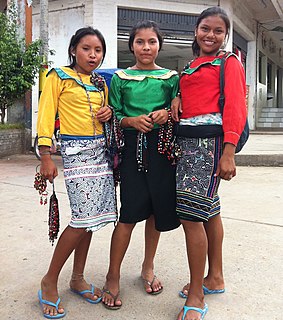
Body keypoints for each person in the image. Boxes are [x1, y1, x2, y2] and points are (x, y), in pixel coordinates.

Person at [171, 7, 247, 320]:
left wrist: (228, 152)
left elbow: (236, 106)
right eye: (205, 28)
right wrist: (177, 97)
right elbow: (191, 97)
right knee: (209, 210)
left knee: (190, 217)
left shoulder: (229, 62)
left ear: (225, 36)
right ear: (196, 30)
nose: (210, 35)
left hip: (210, 144)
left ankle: (196, 294)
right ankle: (214, 277)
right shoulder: (190, 66)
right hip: (188, 144)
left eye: (218, 31)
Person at [36, 27, 117, 319]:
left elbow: (109, 114)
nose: (92, 55)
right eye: (86, 49)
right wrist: (46, 156)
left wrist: (108, 113)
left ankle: (77, 278)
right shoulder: (57, 77)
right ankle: (49, 280)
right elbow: (45, 117)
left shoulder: (99, 82)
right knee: (82, 218)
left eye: (98, 50)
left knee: (92, 219)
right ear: (73, 49)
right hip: (75, 153)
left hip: (101, 154)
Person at [102, 20, 180, 309]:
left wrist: (166, 114)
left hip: (163, 150)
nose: (146, 47)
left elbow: (178, 108)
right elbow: (114, 113)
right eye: (140, 42)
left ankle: (148, 267)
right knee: (129, 214)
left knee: (155, 212)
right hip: (132, 148)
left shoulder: (171, 77)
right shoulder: (120, 78)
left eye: (152, 42)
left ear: (160, 45)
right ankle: (113, 275)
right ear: (131, 45)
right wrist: (131, 121)